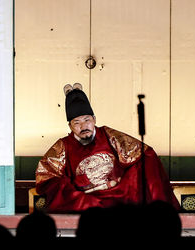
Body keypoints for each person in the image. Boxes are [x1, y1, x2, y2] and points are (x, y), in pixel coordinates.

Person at [35, 83, 179, 212]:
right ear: (70, 126)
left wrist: (126, 184)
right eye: (76, 122)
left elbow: (143, 153)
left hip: (118, 197)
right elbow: (47, 175)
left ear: (94, 119)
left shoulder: (108, 135)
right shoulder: (63, 146)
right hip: (85, 202)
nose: (83, 126)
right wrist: (76, 193)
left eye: (87, 120)